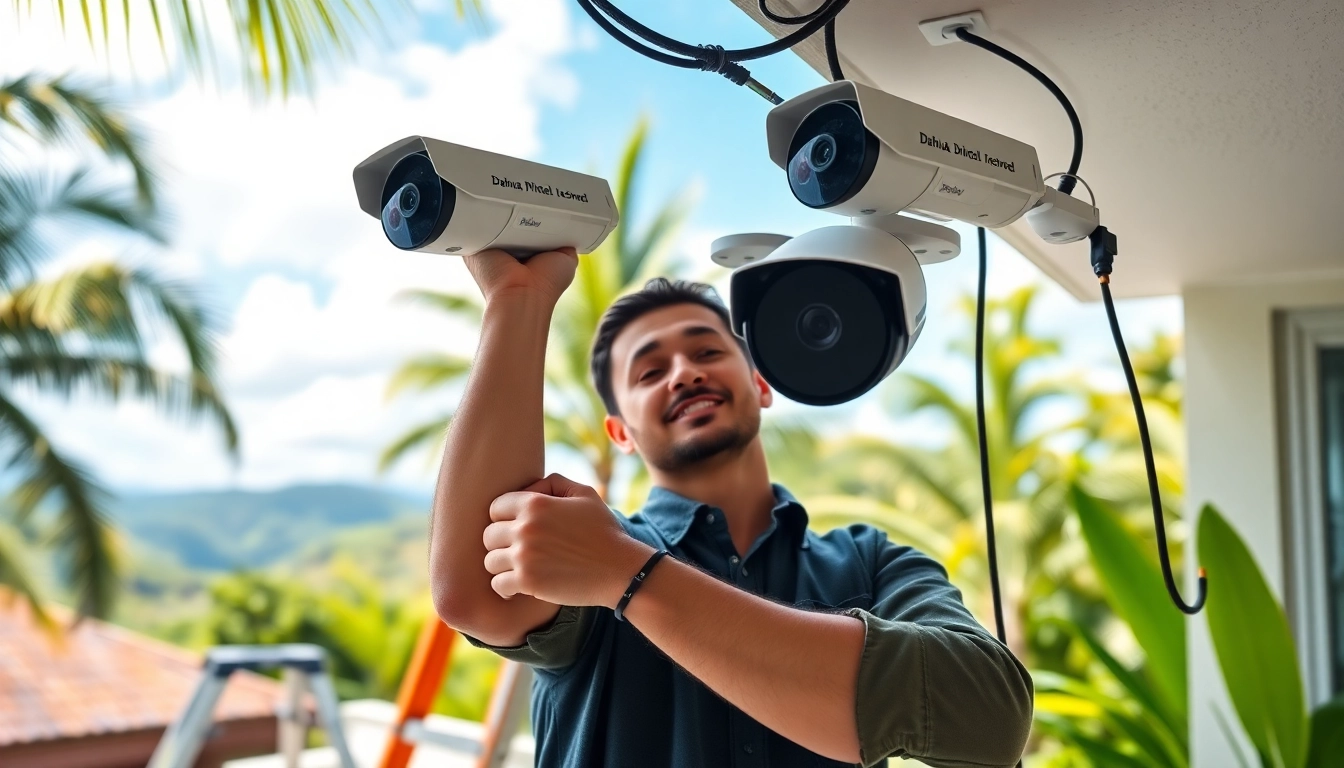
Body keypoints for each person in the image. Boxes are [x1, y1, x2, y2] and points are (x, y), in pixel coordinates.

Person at [429, 246, 1033, 768]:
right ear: (621, 433)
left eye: (707, 351)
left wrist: (627, 576)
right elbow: (474, 593)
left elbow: (989, 719)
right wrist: (519, 296)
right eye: (648, 371)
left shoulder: (872, 562)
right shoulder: (590, 542)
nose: (684, 373)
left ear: (760, 384)